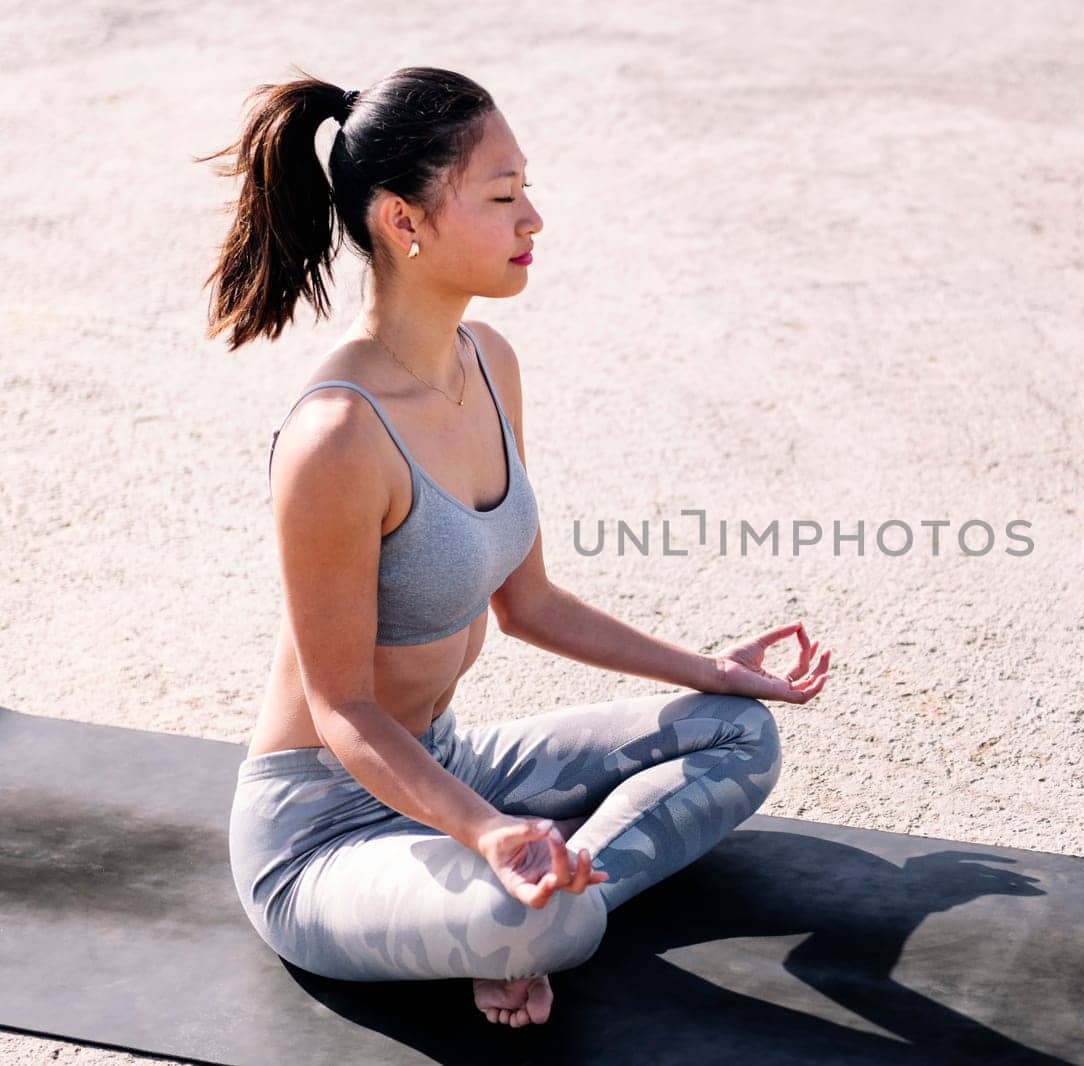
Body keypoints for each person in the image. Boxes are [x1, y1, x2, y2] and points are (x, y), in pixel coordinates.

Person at [195, 65, 830, 1029]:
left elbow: (528, 603)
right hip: (321, 831)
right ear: (406, 222)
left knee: (738, 731)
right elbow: (343, 709)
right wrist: (489, 834)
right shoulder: (336, 438)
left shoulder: (489, 362)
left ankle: (548, 889)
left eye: (526, 188)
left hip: (448, 763)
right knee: (548, 925)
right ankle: (532, 903)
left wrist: (708, 669)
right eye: (502, 196)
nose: (533, 218)